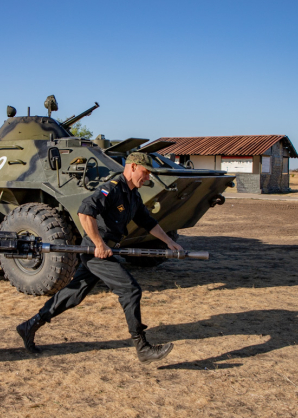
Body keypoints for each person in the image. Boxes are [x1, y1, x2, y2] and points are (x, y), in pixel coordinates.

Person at [16, 152, 183, 363]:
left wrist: (168, 242)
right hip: (95, 252)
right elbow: (85, 212)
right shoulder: (112, 188)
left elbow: (147, 222)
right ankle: (142, 347)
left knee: (73, 294)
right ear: (132, 167)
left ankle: (29, 325)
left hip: (105, 250)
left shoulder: (133, 195)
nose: (148, 177)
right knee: (130, 290)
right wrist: (98, 244)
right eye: (145, 172)